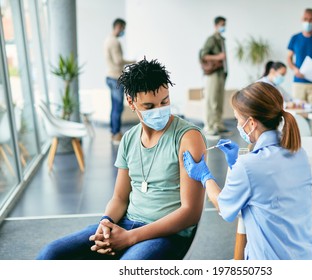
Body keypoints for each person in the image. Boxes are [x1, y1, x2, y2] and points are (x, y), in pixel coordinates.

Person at [36, 58, 206, 260]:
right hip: (126, 224)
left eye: (164, 101)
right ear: (131, 102)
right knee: (51, 254)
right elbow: (119, 197)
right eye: (149, 106)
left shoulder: (188, 138)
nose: (159, 110)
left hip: (166, 234)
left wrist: (130, 238)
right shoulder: (128, 139)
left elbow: (191, 212)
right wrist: (106, 224)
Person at [182, 82, 312, 260]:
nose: (238, 125)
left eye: (238, 120)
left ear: (252, 123)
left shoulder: (249, 165)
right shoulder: (299, 153)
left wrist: (204, 175)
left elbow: (224, 208)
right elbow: (264, 191)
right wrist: (235, 164)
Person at [104, 18, 135, 145]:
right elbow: (118, 61)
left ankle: (114, 132)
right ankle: (116, 134)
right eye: (123, 28)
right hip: (116, 78)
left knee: (114, 107)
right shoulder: (115, 42)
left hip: (109, 77)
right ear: (118, 26)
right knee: (118, 108)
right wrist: (132, 62)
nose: (123, 31)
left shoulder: (107, 40)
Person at [200, 16, 229, 138]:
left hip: (221, 73)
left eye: (225, 24)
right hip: (213, 74)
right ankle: (209, 126)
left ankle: (218, 124)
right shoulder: (212, 39)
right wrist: (218, 57)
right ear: (216, 25)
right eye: (222, 24)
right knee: (211, 100)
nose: (224, 27)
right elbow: (203, 55)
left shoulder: (221, 39)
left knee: (218, 100)